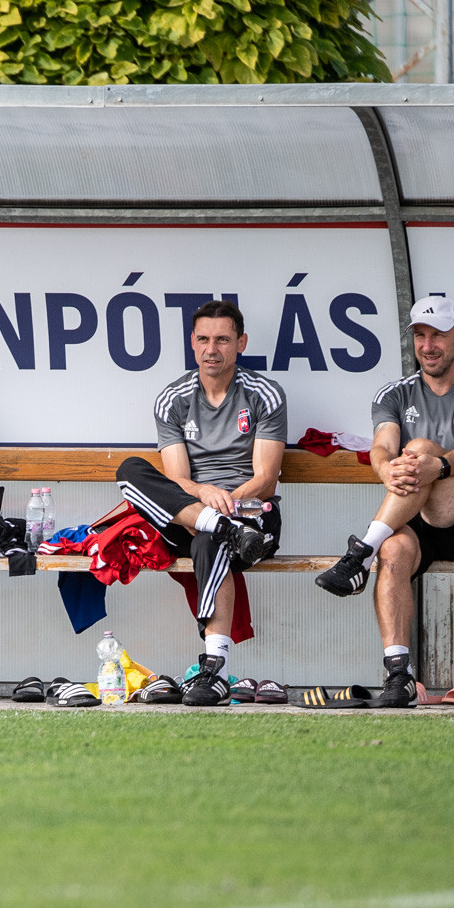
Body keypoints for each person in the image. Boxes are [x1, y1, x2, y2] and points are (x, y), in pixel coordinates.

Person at [316, 296, 454, 707]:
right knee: (394, 549)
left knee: (420, 450)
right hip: (415, 517)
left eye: (438, 335)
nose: (428, 345)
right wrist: (386, 469)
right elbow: (382, 447)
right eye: (420, 335)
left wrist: (438, 465)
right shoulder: (394, 393)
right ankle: (398, 676)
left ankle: (359, 554)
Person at [115, 299, 283, 707]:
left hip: (251, 516)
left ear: (241, 343)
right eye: (204, 339)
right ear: (192, 342)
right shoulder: (173, 398)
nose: (212, 349)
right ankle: (217, 525)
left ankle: (214, 670)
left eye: (223, 340)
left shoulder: (264, 394)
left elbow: (265, 479)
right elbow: (176, 480)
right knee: (130, 470)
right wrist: (205, 498)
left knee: (210, 540)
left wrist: (225, 505)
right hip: (192, 510)